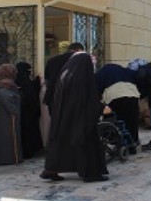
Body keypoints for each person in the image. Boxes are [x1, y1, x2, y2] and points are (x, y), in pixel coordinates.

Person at [41, 52, 108, 182]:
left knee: (60, 145)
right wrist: (100, 108)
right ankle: (90, 173)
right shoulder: (82, 78)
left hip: (63, 117)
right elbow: (88, 100)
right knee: (86, 146)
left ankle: (51, 170)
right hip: (81, 118)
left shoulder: (65, 75)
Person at [96, 63, 140, 151]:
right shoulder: (125, 70)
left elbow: (97, 89)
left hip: (115, 96)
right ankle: (133, 143)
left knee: (119, 121)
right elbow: (136, 78)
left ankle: (120, 143)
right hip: (133, 94)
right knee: (132, 120)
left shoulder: (101, 73)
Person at [43, 42, 85, 114]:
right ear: (78, 50)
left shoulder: (51, 61)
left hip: (54, 96)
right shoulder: (79, 61)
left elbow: (47, 80)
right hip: (72, 97)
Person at [15, 62, 44, 159]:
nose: (29, 73)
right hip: (26, 113)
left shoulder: (21, 81)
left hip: (26, 113)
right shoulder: (22, 83)